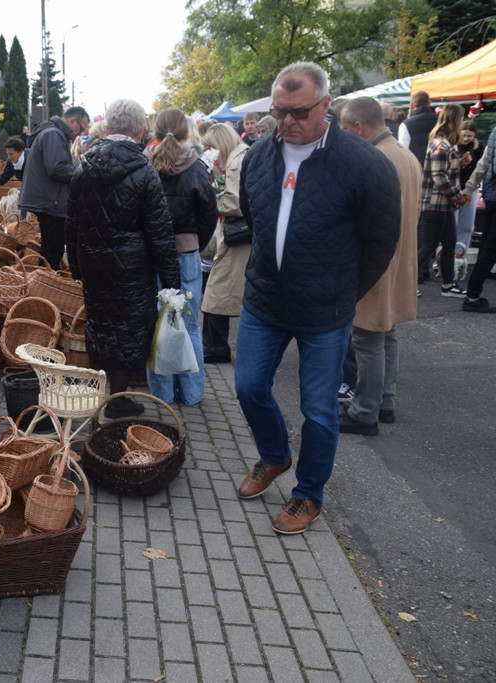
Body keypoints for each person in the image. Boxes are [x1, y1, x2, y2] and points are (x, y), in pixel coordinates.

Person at [234, 62, 400, 534]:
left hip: (324, 310)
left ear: (327, 105)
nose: (287, 122)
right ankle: (274, 457)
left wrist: (344, 291)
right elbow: (255, 215)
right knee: (247, 386)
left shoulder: (365, 164)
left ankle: (308, 494)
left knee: (320, 410)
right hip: (265, 300)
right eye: (279, 111)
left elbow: (381, 240)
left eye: (299, 112)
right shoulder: (259, 157)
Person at [65, 99, 180, 418]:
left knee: (100, 323)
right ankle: (116, 399)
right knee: (128, 329)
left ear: (110, 127)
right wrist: (172, 282)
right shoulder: (144, 170)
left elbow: (72, 221)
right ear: (141, 130)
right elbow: (160, 231)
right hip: (130, 267)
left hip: (93, 263)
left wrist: (75, 265)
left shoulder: (84, 166)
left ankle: (102, 397)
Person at [337, 97, 421, 435]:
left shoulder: (376, 159)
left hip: (378, 263)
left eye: (345, 129)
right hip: (400, 260)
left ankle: (365, 411)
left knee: (368, 339)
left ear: (358, 127)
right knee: (386, 336)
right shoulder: (406, 155)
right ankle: (384, 401)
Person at [145, 108, 219, 406]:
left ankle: (162, 394)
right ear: (187, 131)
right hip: (186, 254)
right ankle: (191, 392)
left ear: (156, 132)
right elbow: (209, 214)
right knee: (188, 325)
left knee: (158, 324)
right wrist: (194, 241)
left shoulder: (146, 165)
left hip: (152, 254)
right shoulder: (197, 167)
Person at [200, 124, 250, 364]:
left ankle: (215, 347)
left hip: (237, 232)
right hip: (236, 232)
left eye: (211, 146)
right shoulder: (239, 156)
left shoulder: (236, 161)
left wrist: (210, 202)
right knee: (218, 289)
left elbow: (237, 201)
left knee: (217, 290)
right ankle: (213, 345)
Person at [20, 106, 90, 268]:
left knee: (49, 248)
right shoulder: (54, 134)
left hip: (46, 199)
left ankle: (42, 283)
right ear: (73, 121)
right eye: (81, 128)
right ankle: (44, 286)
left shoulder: (53, 132)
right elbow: (56, 168)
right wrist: (80, 173)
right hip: (50, 201)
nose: (80, 133)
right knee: (53, 250)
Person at [417, 104, 468, 298]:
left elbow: (443, 172)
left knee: (449, 243)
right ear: (455, 119)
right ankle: (404, 282)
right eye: (461, 119)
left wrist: (461, 163)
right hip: (435, 204)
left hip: (443, 204)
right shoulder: (441, 144)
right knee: (428, 246)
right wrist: (457, 195)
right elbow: (439, 176)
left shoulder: (444, 143)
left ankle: (448, 284)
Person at [458, 128, 496, 312]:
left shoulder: (494, 132)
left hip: (491, 197)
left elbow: (482, 165)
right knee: (490, 249)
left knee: (486, 247)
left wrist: (468, 189)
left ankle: (473, 294)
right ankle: (472, 296)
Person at [456, 120, 484, 251]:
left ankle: (462, 252)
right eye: (464, 135)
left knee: (467, 225)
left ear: (475, 136)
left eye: (469, 136)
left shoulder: (480, 148)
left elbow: (480, 168)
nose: (466, 139)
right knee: (453, 223)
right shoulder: (454, 146)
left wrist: (477, 149)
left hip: (471, 189)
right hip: (455, 188)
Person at [398, 91, 439, 164]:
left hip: (417, 167)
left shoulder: (405, 125)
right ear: (429, 104)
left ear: (412, 105)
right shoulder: (440, 121)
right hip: (438, 164)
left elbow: (403, 151)